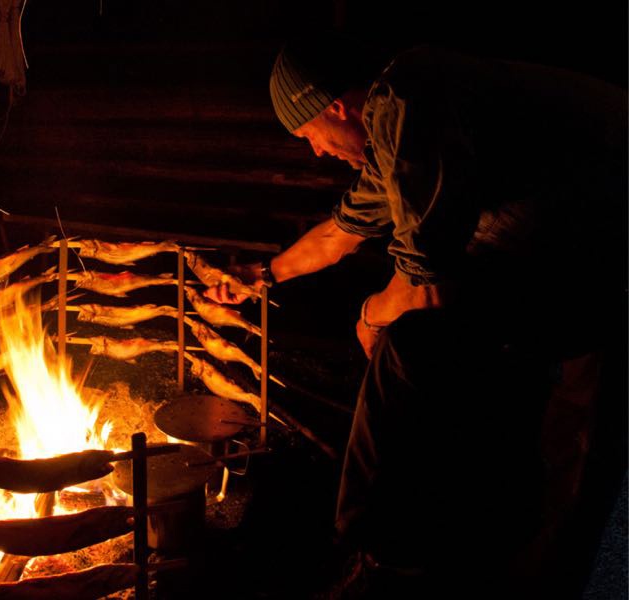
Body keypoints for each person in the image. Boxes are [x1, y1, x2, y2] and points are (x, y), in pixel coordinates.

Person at [207, 36, 627, 597]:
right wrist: (262, 276)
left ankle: (523, 576)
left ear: (334, 105)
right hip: (558, 245)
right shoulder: (392, 130)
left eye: (308, 135)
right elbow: (340, 235)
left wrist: (371, 313)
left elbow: (428, 275)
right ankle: (442, 541)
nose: (315, 152)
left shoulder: (411, 97)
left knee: (577, 428)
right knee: (453, 360)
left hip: (603, 242)